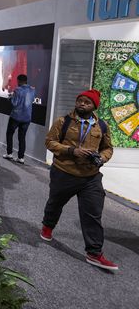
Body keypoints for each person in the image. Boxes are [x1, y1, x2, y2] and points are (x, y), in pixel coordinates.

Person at [41, 90, 117, 271]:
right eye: (80, 101)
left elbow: (108, 148)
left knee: (93, 213)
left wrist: (102, 158)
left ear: (94, 106)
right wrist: (70, 150)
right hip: (64, 172)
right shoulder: (63, 121)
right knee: (55, 203)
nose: (82, 104)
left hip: (91, 177)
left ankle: (94, 253)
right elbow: (49, 142)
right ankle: (47, 226)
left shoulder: (102, 126)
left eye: (87, 102)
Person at [3, 74, 35, 164]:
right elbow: (31, 101)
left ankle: (9, 154)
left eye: (18, 81)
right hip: (27, 117)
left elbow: (14, 103)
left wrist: (10, 98)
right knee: (22, 137)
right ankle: (21, 158)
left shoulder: (17, 90)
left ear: (20, 81)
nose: (17, 83)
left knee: (9, 134)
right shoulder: (32, 90)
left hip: (16, 116)